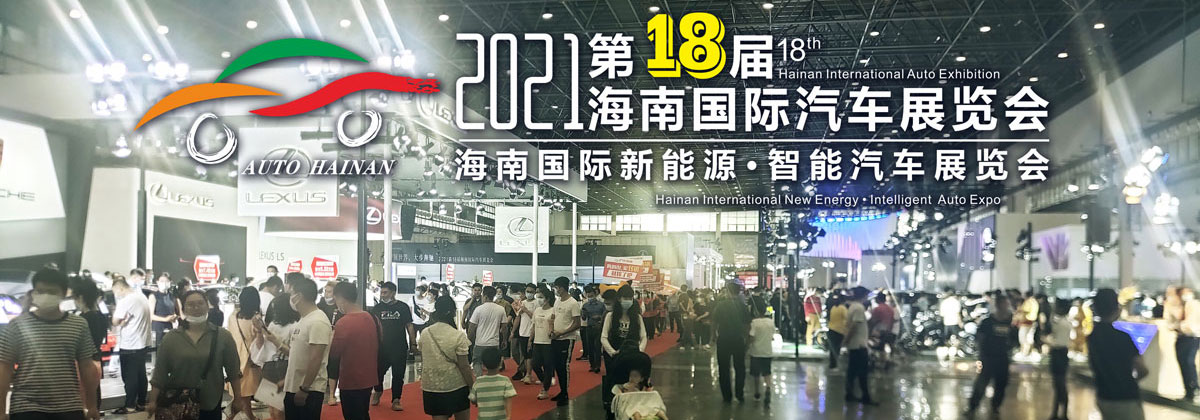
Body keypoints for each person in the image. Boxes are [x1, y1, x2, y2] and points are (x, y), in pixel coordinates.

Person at [147, 289, 251, 420]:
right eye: (190, 304)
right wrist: (152, 400)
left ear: (207, 306)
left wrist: (238, 398)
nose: (196, 307)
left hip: (210, 401)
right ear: (183, 309)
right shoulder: (171, 338)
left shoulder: (222, 336)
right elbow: (160, 372)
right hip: (179, 403)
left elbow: (233, 371)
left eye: (200, 303)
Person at [1088, 288, 1148, 420]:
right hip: (1125, 397)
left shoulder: (1093, 337)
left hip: (1104, 396)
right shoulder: (1123, 337)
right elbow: (1142, 370)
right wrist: (1132, 381)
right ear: (1117, 308)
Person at [283, 277, 333, 420]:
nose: (290, 298)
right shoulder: (304, 319)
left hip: (309, 390)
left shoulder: (317, 321)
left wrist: (304, 388)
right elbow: (298, 354)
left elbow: (316, 358)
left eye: (291, 293)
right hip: (294, 386)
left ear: (299, 296)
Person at [329, 282, 381, 420]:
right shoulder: (373, 318)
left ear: (340, 298)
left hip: (351, 380)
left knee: (353, 415)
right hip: (369, 377)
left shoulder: (343, 323)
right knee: (363, 413)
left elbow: (334, 353)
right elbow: (380, 341)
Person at [419, 295, 475, 420]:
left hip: (432, 385)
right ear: (453, 312)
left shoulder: (425, 333)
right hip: (456, 385)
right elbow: (464, 366)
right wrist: (472, 385)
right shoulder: (458, 336)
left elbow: (424, 359)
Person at [966, 292, 1019, 416]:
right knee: (981, 383)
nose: (1006, 306)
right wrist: (981, 355)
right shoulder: (988, 322)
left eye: (1007, 304)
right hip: (988, 358)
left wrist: (1010, 346)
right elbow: (980, 338)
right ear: (998, 305)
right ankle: (972, 407)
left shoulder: (1010, 323)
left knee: (1001, 384)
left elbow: (1014, 341)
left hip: (1003, 358)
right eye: (1003, 304)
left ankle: (995, 407)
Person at [254, 294, 302, 420]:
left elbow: (294, 353)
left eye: (276, 308)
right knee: (272, 408)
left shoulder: (295, 326)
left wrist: (276, 341)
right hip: (270, 366)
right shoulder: (273, 324)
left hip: (284, 367)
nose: (274, 311)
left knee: (281, 409)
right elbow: (262, 347)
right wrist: (259, 330)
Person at [371, 282, 416, 411]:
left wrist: (413, 343)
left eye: (385, 292)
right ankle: (378, 391)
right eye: (381, 292)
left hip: (399, 347)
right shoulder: (377, 308)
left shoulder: (403, 307)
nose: (382, 295)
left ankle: (396, 399)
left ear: (393, 293)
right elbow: (372, 327)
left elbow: (409, 325)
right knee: (377, 372)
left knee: (398, 375)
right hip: (382, 348)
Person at [111, 275, 152, 414]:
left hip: (130, 344)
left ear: (120, 288)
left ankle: (130, 406)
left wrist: (121, 322)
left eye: (115, 292)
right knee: (141, 375)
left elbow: (115, 321)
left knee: (129, 377)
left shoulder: (126, 301)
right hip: (143, 342)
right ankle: (141, 403)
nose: (116, 295)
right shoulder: (141, 297)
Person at [70, 276, 109, 416]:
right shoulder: (101, 316)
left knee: (84, 400)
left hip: (83, 364)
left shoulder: (82, 320)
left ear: (80, 297)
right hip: (96, 360)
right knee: (95, 394)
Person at [712, 283, 750, 403]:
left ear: (727, 291)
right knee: (740, 367)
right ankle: (739, 394)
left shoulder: (720, 305)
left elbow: (714, 322)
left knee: (723, 368)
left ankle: (727, 396)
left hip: (723, 339)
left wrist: (713, 336)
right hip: (738, 339)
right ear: (738, 292)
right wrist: (746, 339)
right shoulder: (743, 306)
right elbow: (747, 324)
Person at [548, 277, 582, 406]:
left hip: (567, 339)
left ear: (562, 288)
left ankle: (565, 392)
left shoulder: (573, 303)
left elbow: (577, 323)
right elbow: (553, 317)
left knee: (564, 366)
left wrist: (562, 333)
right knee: (557, 365)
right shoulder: (557, 301)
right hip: (555, 338)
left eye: (556, 288)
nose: (555, 290)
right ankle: (561, 391)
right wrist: (551, 330)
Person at [229, 287, 264, 407]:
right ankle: (237, 415)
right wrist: (260, 331)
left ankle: (246, 415)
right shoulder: (256, 319)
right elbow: (260, 344)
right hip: (250, 359)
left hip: (235, 356)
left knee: (241, 392)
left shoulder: (233, 316)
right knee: (245, 393)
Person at [610, 351, 667, 420]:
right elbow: (622, 396)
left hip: (644, 405)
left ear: (641, 379)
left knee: (658, 411)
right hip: (632, 406)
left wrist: (648, 389)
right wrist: (629, 390)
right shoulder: (626, 385)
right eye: (631, 376)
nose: (632, 378)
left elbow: (648, 396)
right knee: (636, 413)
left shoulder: (642, 386)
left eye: (635, 376)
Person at [468, 286, 509, 376]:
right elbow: (504, 327)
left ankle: (479, 379)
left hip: (480, 343)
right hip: (494, 343)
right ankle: (492, 380)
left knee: (477, 362)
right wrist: (504, 340)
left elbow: (472, 326)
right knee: (493, 365)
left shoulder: (478, 309)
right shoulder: (500, 309)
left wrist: (469, 339)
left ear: (485, 296)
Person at [843, 287, 874, 405]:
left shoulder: (853, 306)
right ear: (863, 296)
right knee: (862, 372)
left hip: (855, 344)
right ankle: (865, 397)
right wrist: (847, 340)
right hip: (859, 345)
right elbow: (855, 326)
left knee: (852, 372)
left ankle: (850, 394)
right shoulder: (859, 308)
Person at [469, 348, 517, 420]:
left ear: (483, 364)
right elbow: (508, 398)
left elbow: (473, 399)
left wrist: (477, 401)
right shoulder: (505, 380)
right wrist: (508, 416)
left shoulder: (479, 381)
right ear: (500, 363)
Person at [1046, 299, 1073, 420]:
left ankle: (1062, 413)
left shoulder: (1061, 324)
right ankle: (1058, 413)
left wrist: (1046, 340)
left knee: (1059, 385)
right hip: (1062, 354)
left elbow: (1057, 342)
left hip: (1058, 354)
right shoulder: (1066, 322)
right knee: (1059, 385)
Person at [1172, 288, 1199, 401]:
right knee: (1184, 364)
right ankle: (1189, 391)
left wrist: (1179, 326)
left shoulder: (1193, 305)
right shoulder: (1179, 306)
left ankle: (1193, 389)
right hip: (1183, 337)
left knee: (1188, 363)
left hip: (1191, 337)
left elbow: (1190, 325)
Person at [531, 286, 557, 401]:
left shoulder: (553, 311)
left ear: (547, 299)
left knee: (548, 366)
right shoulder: (537, 310)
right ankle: (545, 381)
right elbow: (533, 326)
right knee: (535, 364)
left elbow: (555, 325)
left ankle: (545, 389)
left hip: (548, 342)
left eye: (541, 297)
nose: (539, 299)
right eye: (538, 297)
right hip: (537, 341)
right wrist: (530, 339)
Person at [747, 296, 775, 404]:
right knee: (767, 373)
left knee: (756, 374)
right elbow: (772, 336)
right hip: (767, 351)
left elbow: (752, 337)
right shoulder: (770, 322)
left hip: (756, 352)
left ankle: (757, 392)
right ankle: (768, 388)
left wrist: (747, 346)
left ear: (756, 311)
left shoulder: (754, 322)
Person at [512, 283, 537, 384]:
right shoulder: (522, 302)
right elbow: (518, 317)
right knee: (525, 355)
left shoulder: (537, 303)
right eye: (527, 291)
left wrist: (526, 310)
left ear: (534, 292)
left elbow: (535, 318)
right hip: (522, 332)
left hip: (532, 332)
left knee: (530, 355)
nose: (529, 293)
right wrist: (513, 331)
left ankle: (529, 374)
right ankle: (526, 373)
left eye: (531, 291)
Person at [149, 272, 179, 348]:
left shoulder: (172, 296)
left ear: (170, 282)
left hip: (170, 327)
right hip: (158, 328)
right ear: (157, 282)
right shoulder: (153, 296)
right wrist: (165, 319)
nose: (164, 283)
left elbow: (174, 311)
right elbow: (151, 315)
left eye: (166, 281)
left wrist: (174, 317)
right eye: (162, 281)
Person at [581, 285, 607, 373]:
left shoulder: (601, 305)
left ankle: (597, 365)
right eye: (588, 295)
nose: (590, 296)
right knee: (590, 347)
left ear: (595, 294)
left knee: (597, 347)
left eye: (591, 295)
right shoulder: (585, 305)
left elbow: (605, 316)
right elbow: (584, 318)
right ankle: (592, 365)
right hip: (589, 328)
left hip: (598, 328)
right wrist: (583, 313)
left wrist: (599, 318)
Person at [868, 293, 896, 367]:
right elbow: (892, 321)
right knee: (885, 346)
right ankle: (886, 361)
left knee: (877, 347)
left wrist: (869, 331)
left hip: (878, 332)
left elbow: (873, 321)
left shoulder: (877, 309)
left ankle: (878, 361)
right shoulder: (890, 309)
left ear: (878, 299)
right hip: (888, 331)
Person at [939, 290, 963, 360]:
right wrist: (960, 323)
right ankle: (955, 352)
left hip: (946, 323)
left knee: (947, 339)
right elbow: (957, 313)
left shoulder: (944, 302)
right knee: (957, 339)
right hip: (955, 322)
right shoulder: (956, 302)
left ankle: (947, 353)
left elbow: (942, 314)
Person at [826, 294, 847, 369]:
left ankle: (832, 364)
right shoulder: (843, 308)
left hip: (831, 329)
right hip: (839, 330)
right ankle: (835, 365)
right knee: (837, 349)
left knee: (832, 349)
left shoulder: (834, 307)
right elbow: (847, 319)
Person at [1017, 291, 1039, 358]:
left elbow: (1025, 311)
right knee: (1030, 338)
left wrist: (1019, 311)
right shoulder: (1035, 302)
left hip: (1026, 322)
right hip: (1032, 321)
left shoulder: (1028, 302)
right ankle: (1030, 353)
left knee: (1023, 338)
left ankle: (1024, 353)